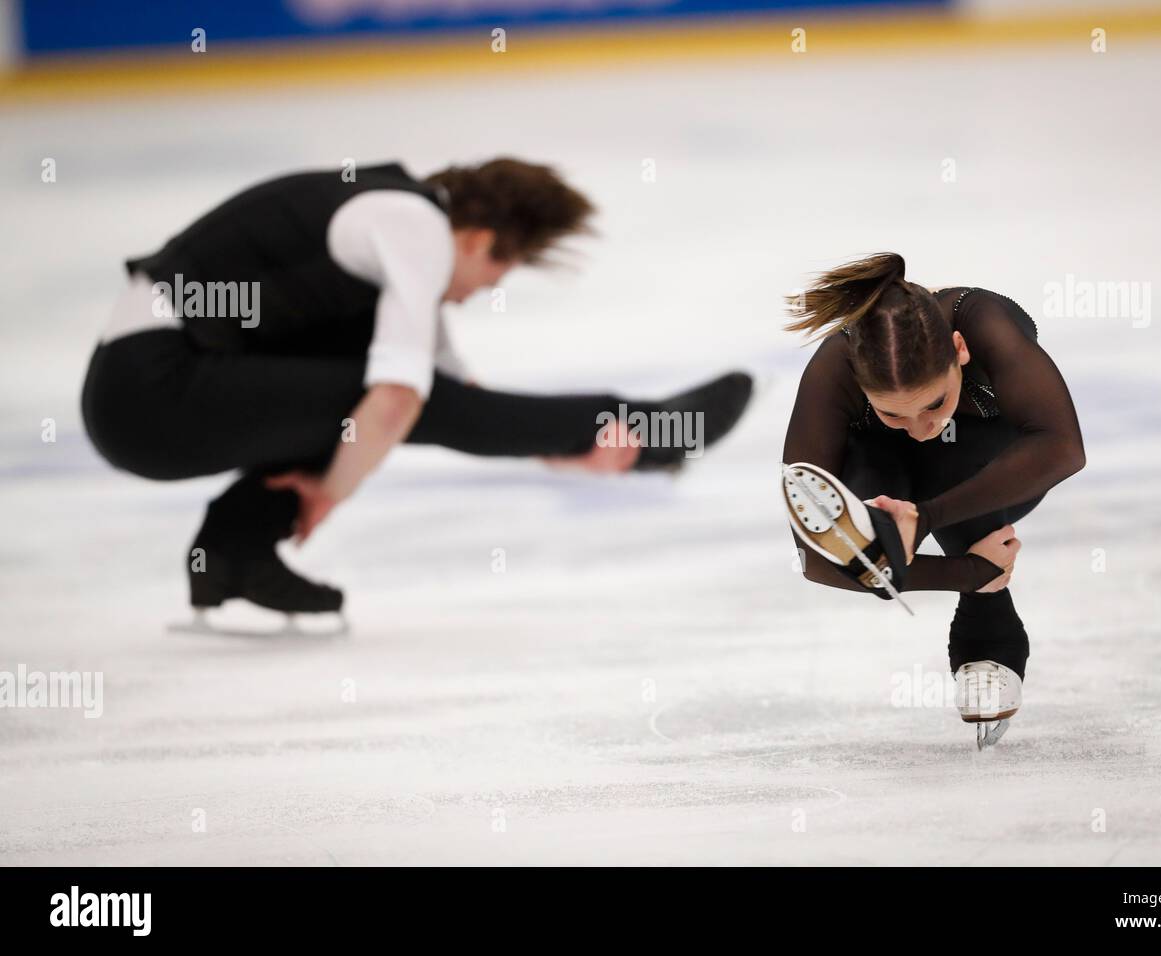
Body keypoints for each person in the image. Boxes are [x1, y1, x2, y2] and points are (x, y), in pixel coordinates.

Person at [81, 158, 752, 621]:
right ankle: (653, 428)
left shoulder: (393, 219)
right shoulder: (414, 227)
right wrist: (330, 491)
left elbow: (467, 402)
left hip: (143, 391)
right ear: (481, 240)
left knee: (379, 384)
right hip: (152, 391)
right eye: (496, 277)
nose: (478, 294)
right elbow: (406, 403)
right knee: (386, 396)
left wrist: (569, 453)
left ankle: (235, 555)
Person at [781, 253, 1085, 744]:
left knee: (947, 456)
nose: (922, 427)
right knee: (854, 519)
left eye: (935, 402)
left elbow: (1063, 448)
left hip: (987, 469)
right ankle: (969, 589)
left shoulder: (983, 321)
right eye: (893, 414)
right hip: (888, 480)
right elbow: (814, 555)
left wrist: (925, 518)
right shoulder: (834, 368)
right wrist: (969, 572)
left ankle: (989, 639)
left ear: (959, 349)